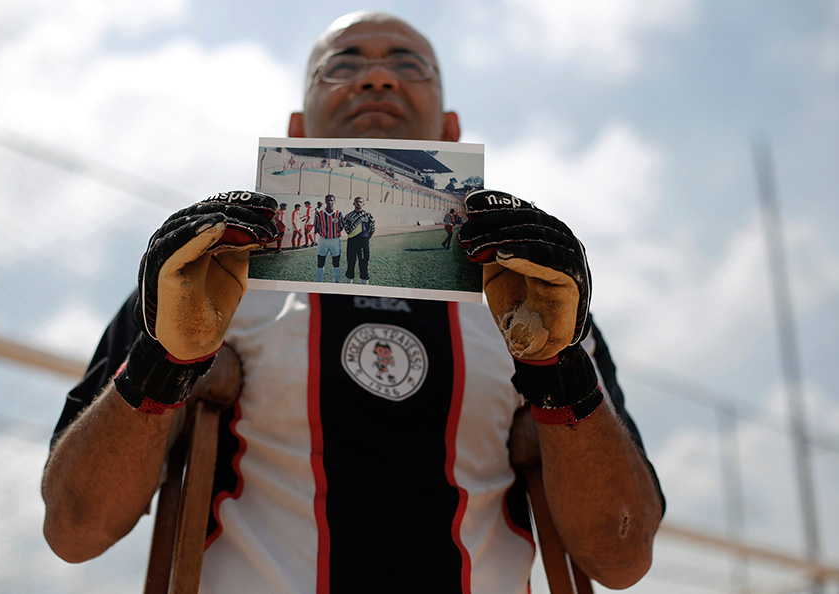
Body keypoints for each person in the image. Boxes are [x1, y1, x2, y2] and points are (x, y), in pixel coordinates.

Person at [42, 11, 664, 593]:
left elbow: (621, 556)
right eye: (341, 64)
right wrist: (165, 361)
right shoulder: (201, 275)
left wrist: (558, 369)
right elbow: (76, 530)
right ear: (297, 129)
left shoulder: (537, 295)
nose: (377, 75)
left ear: (450, 129)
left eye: (407, 63)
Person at [343, 196, 375, 285]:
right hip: (352, 242)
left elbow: (372, 229)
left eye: (360, 202)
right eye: (357, 202)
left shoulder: (368, 215)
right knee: (350, 262)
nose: (358, 203)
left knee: (363, 263)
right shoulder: (348, 216)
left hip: (363, 243)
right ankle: (349, 283)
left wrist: (365, 238)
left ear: (363, 204)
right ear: (354, 203)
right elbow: (346, 229)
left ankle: (364, 283)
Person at [314, 194, 344, 282]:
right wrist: (324, 234)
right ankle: (319, 282)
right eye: (328, 200)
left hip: (335, 241)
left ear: (334, 201)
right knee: (320, 262)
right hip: (323, 241)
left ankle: (337, 282)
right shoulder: (319, 214)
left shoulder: (339, 213)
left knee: (336, 262)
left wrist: (334, 233)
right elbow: (317, 227)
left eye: (331, 200)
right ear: (325, 201)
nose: (330, 202)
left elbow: (341, 226)